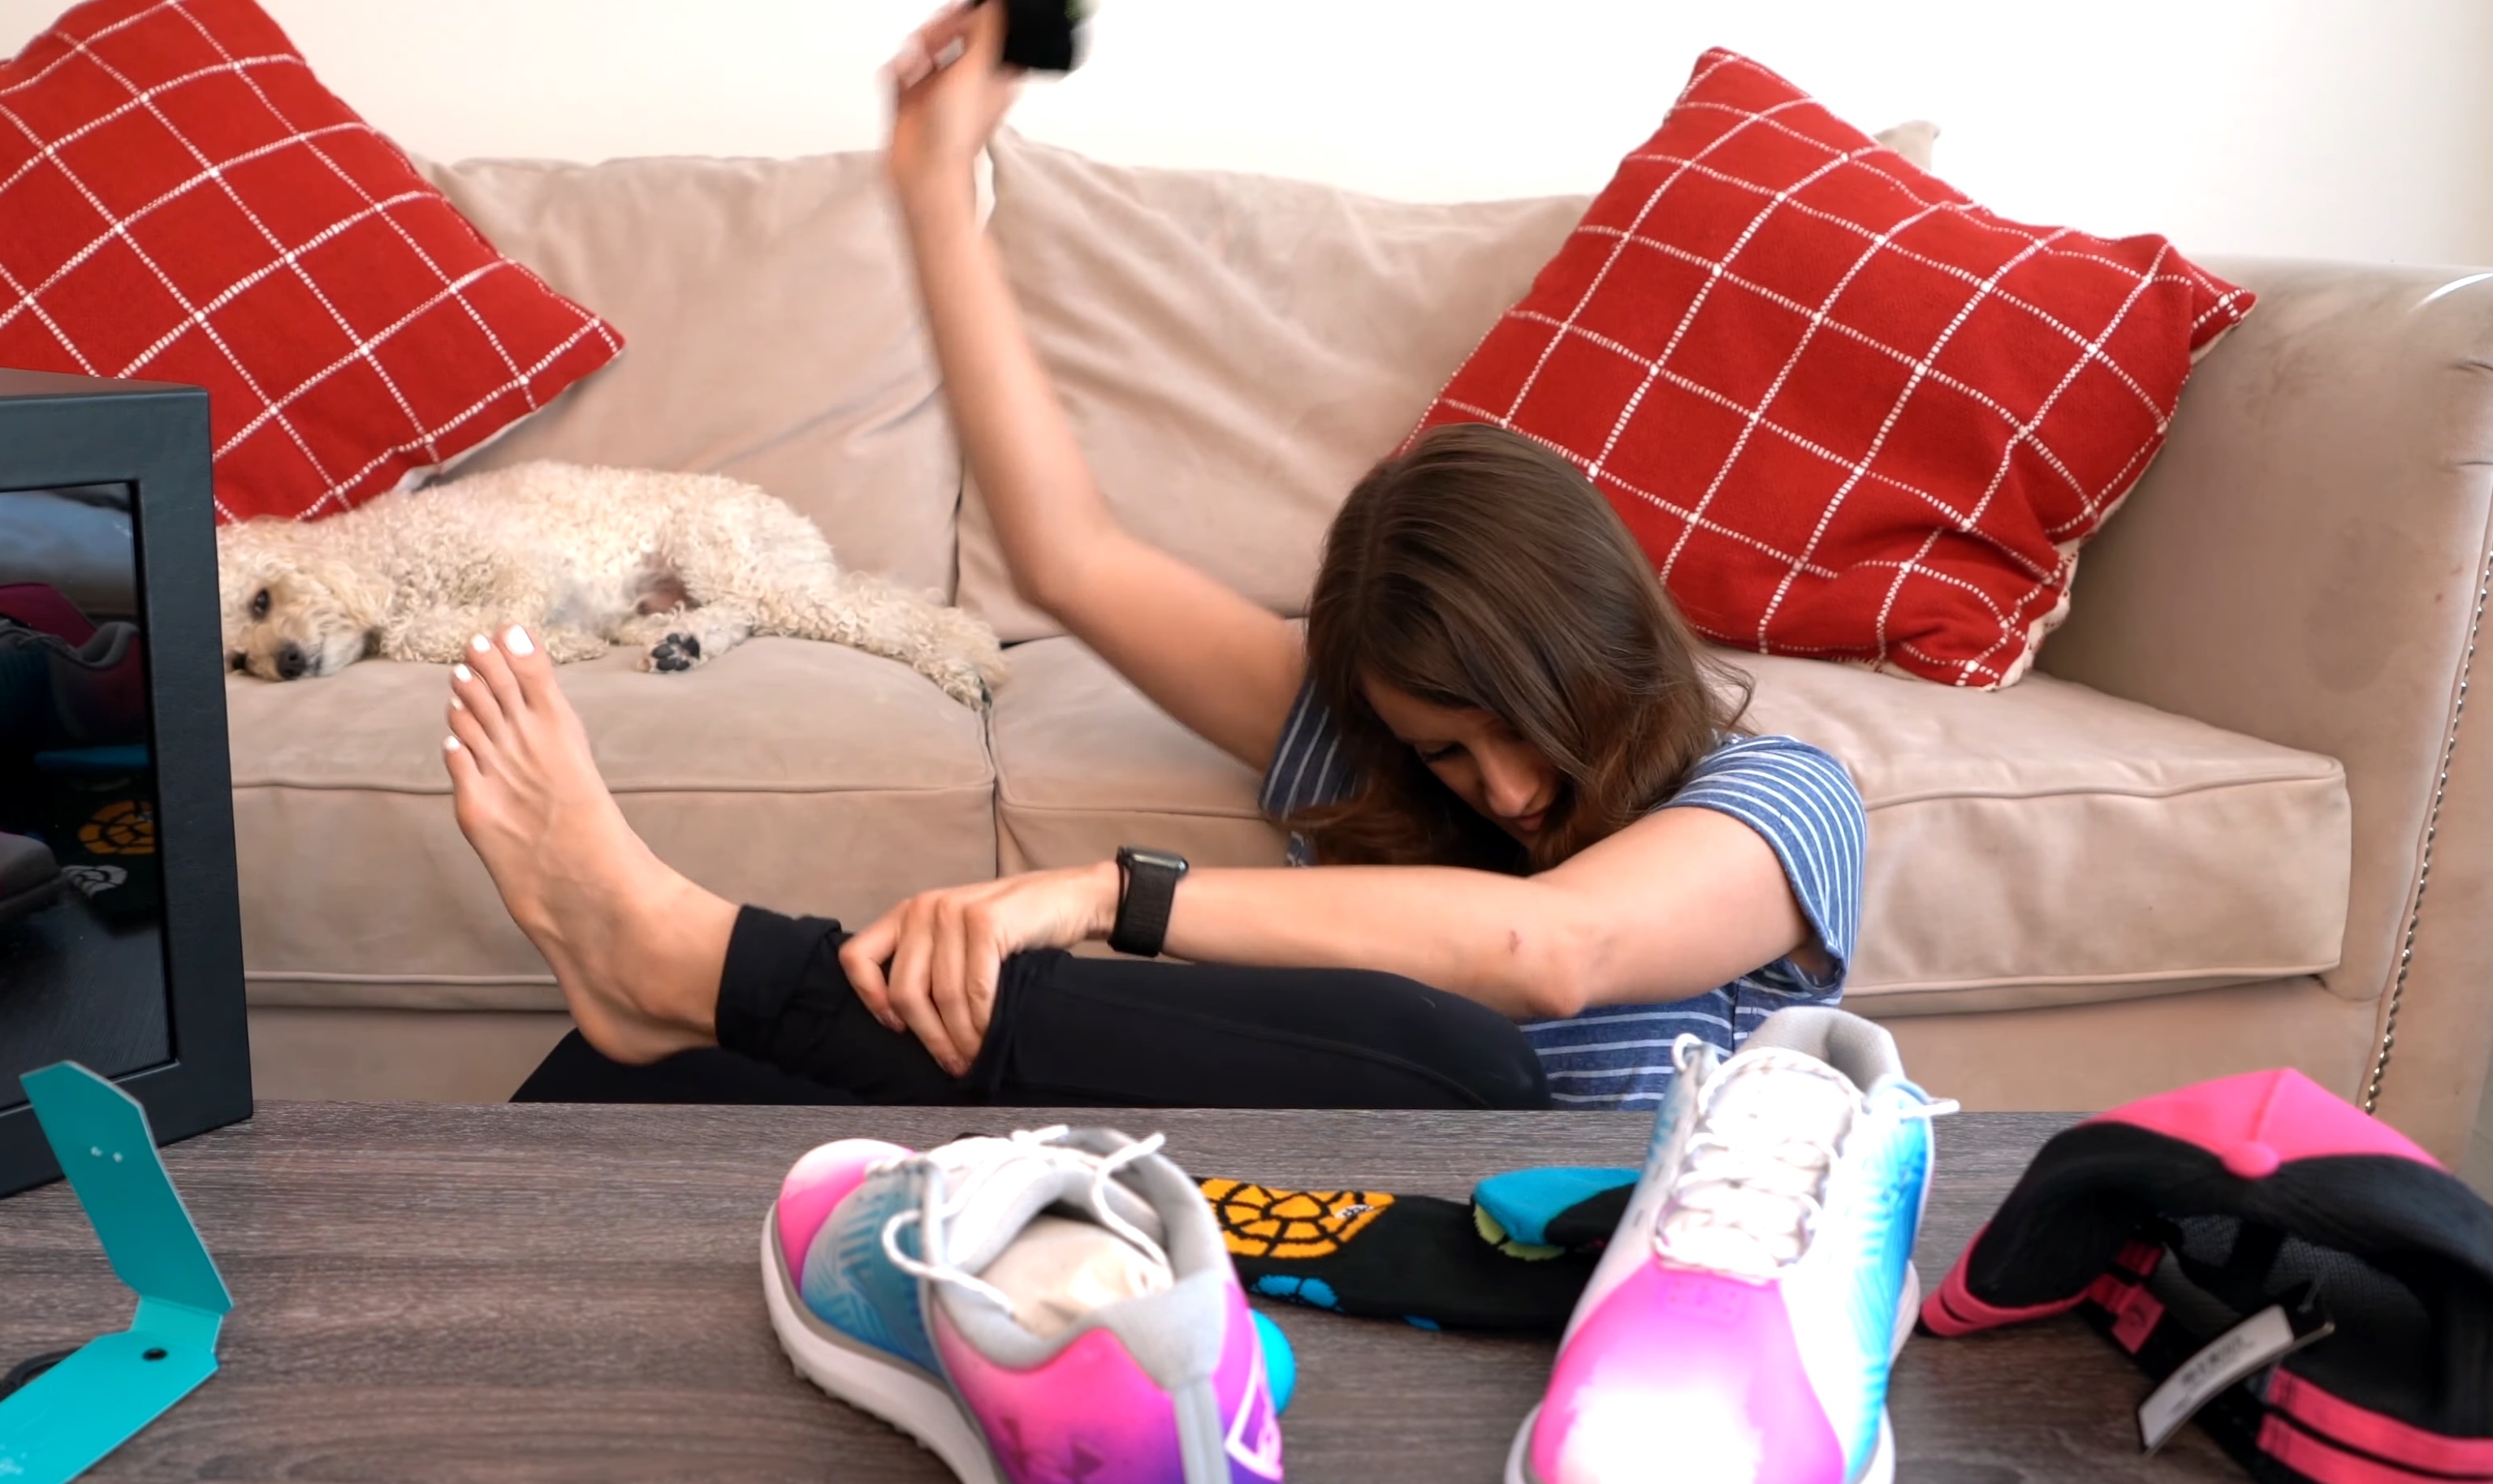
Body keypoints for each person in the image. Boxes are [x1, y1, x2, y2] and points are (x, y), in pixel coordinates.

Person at [443, 2, 1863, 1113]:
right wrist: (934, 185)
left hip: (1569, 1228)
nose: (1496, 789)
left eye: (1523, 729)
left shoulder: (1781, 797)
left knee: (1462, 1051)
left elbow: (1548, 954)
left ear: (1603, 655)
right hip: (1259, 1197)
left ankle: (690, 956)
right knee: (648, 1083)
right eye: (1446, 750)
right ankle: (662, 1017)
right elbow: (1070, 554)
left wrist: (1106, 894)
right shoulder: (1375, 758)